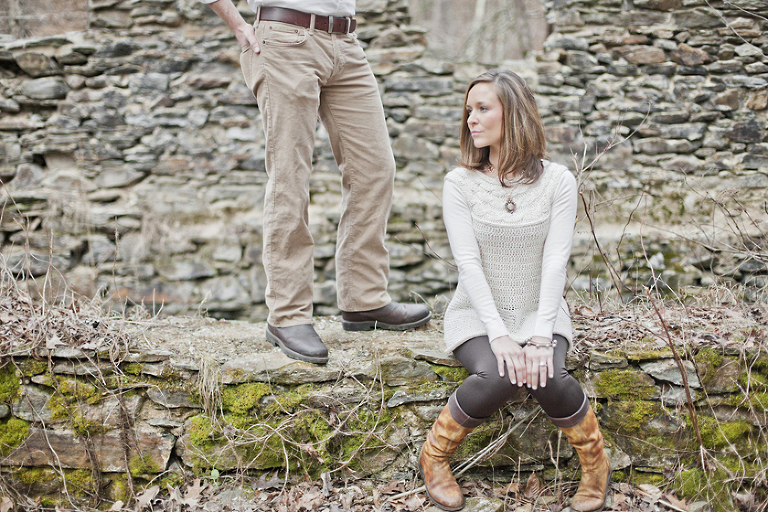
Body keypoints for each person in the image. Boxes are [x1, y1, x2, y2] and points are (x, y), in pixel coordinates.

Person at [197, 0, 432, 364]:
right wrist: (238, 25)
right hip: (284, 39)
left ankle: (364, 299)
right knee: (290, 175)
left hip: (347, 44)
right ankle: (288, 315)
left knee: (375, 169)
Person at [418, 70, 611, 512]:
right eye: (469, 110)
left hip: (540, 311)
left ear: (515, 114)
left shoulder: (558, 180)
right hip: (476, 313)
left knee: (548, 374)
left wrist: (540, 334)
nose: (471, 118)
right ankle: (434, 457)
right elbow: (468, 266)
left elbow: (554, 261)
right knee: (502, 373)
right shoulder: (459, 183)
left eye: (483, 108)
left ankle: (596, 465)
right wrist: (500, 334)